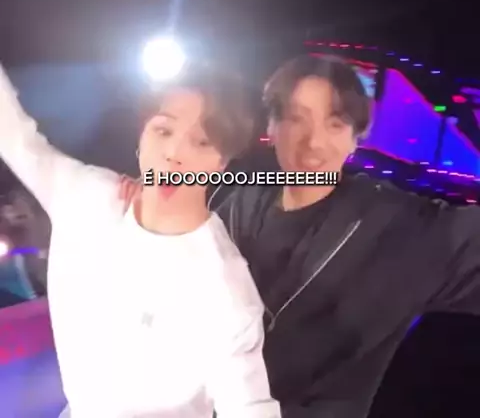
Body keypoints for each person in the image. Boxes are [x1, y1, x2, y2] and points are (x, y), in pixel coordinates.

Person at [119, 53, 480, 418]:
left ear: (355, 139)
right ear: (272, 127)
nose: (314, 142)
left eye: (335, 124)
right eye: (295, 119)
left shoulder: (396, 226)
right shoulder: (235, 204)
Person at [0, 64, 281, 418]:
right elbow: (14, 136)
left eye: (202, 141)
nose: (174, 153)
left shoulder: (224, 290)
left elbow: (249, 406)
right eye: (163, 130)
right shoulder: (86, 197)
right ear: (142, 136)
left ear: (221, 162)